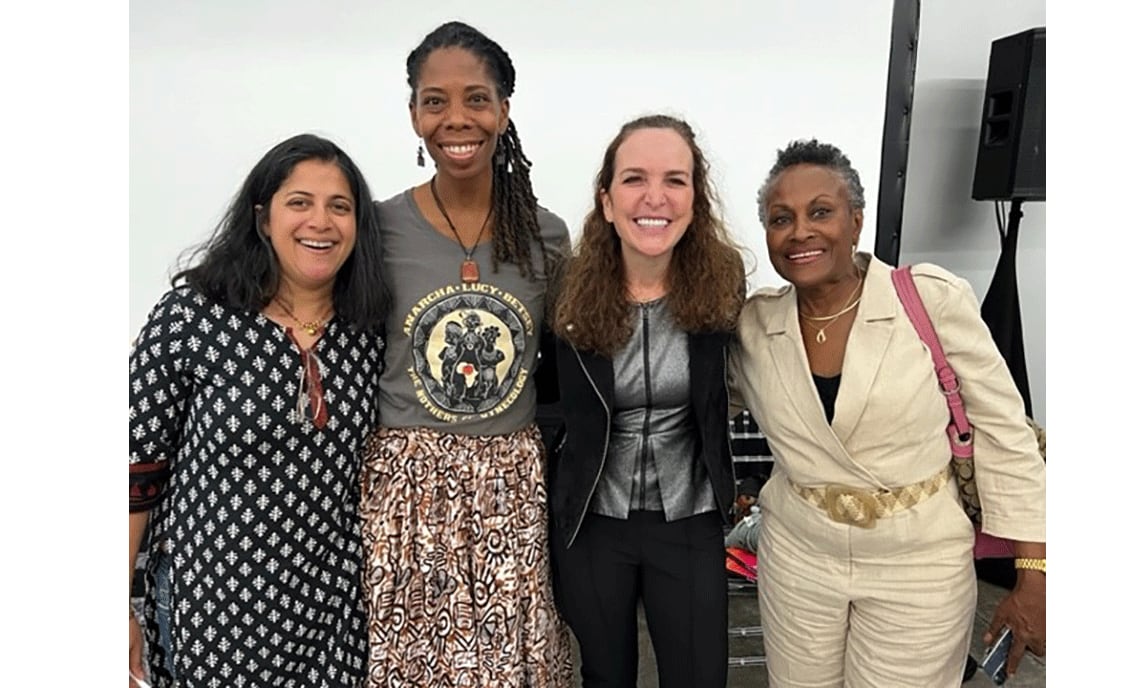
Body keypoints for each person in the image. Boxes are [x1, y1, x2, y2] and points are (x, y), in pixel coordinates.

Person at [727, 139, 1046, 687]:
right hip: (800, 558)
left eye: (820, 212)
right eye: (782, 218)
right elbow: (690, 402)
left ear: (856, 220)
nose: (801, 231)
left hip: (918, 563)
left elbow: (1004, 434)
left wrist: (1034, 574)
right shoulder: (754, 326)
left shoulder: (928, 300)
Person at [128, 133, 394, 687]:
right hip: (210, 617)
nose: (320, 221)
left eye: (339, 207)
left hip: (335, 620)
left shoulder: (373, 331)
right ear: (263, 218)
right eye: (299, 202)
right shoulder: (192, 318)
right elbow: (134, 470)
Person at [359, 21, 572, 687]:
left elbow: (572, 359)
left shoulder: (545, 236)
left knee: (514, 669)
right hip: (407, 493)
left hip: (511, 488)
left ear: (504, 112)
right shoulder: (380, 228)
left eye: (477, 99)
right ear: (414, 113)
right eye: (435, 100)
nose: (457, 118)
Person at [547, 114, 746, 688]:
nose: (654, 197)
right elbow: (546, 397)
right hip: (592, 520)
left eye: (675, 180)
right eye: (634, 178)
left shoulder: (724, 282)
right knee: (605, 676)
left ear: (695, 198)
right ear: (607, 201)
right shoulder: (566, 291)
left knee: (698, 676)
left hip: (689, 518)